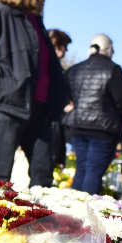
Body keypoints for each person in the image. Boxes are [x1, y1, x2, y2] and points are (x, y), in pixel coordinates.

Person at [0, 0, 68, 187]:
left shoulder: (35, 20)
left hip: (40, 110)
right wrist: (3, 83)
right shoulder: (2, 13)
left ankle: (40, 222)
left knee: (43, 177)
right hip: (7, 106)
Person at [62, 35, 122, 195]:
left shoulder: (74, 69)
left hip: (77, 126)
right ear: (107, 49)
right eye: (112, 50)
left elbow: (63, 94)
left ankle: (72, 211)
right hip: (103, 128)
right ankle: (86, 213)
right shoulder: (113, 69)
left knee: (81, 169)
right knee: (93, 171)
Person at [48, 29, 73, 168]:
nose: (66, 51)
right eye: (65, 47)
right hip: (50, 118)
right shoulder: (52, 66)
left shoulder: (55, 66)